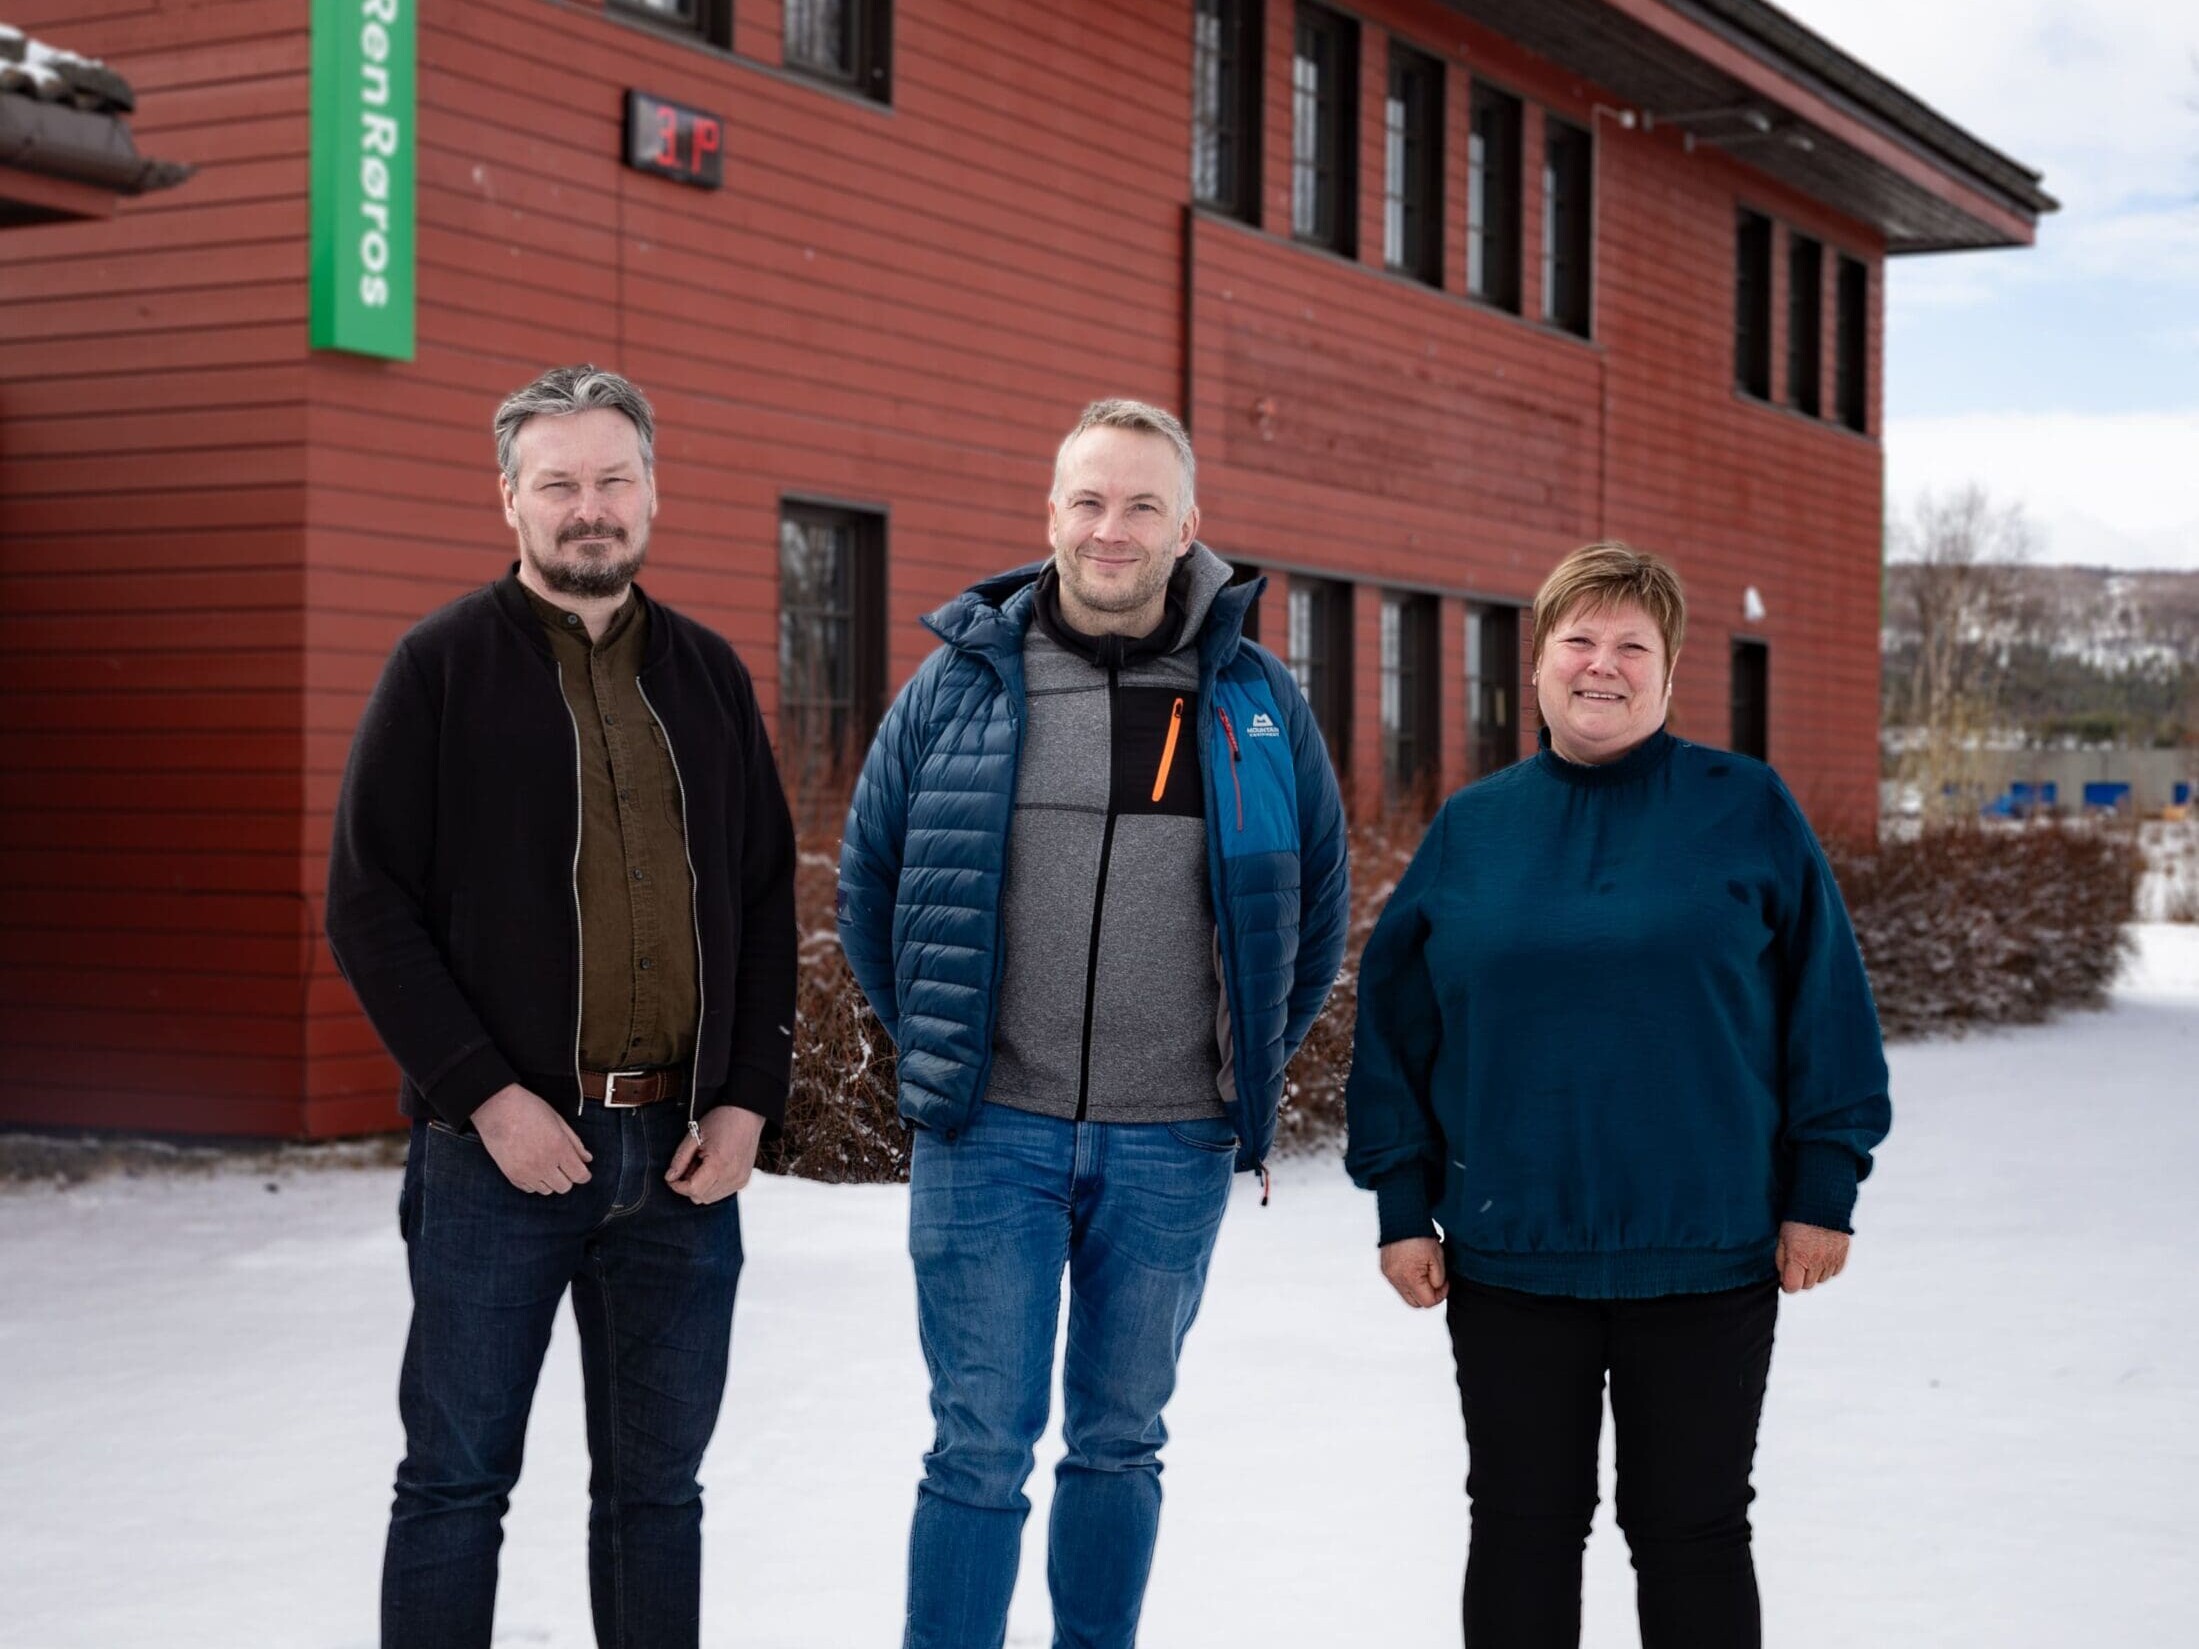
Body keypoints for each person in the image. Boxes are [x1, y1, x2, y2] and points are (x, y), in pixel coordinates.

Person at [837, 399, 1349, 1649]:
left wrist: (1231, 1071)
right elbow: (873, 882)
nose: (1109, 529)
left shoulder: (1255, 699)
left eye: (1138, 505)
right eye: (1087, 500)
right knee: (976, 1448)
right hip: (987, 1135)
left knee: (1120, 1444)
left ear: (1188, 526)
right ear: (1048, 513)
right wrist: (947, 1048)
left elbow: (1314, 908)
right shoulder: (961, 681)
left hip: (1168, 1142)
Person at [1344, 541, 1891, 1649]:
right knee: (1521, 1527)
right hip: (1510, 1255)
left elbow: (1825, 1006)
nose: (1603, 664)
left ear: (1669, 668)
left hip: (1708, 1249)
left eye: (1630, 644)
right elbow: (1395, 1028)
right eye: (1578, 640)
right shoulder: (1476, 828)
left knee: (1691, 1530)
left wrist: (1824, 1182)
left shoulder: (1746, 808)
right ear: (1538, 662)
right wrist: (1402, 1203)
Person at [326, 364, 797, 1649]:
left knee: (658, 1494)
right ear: (510, 501)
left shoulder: (706, 674)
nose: (588, 508)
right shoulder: (437, 669)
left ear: (651, 489)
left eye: (611, 479)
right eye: (559, 485)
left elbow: (762, 900)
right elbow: (369, 904)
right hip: (499, 1162)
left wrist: (750, 1096)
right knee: (455, 1486)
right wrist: (489, 1096)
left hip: (686, 1167)